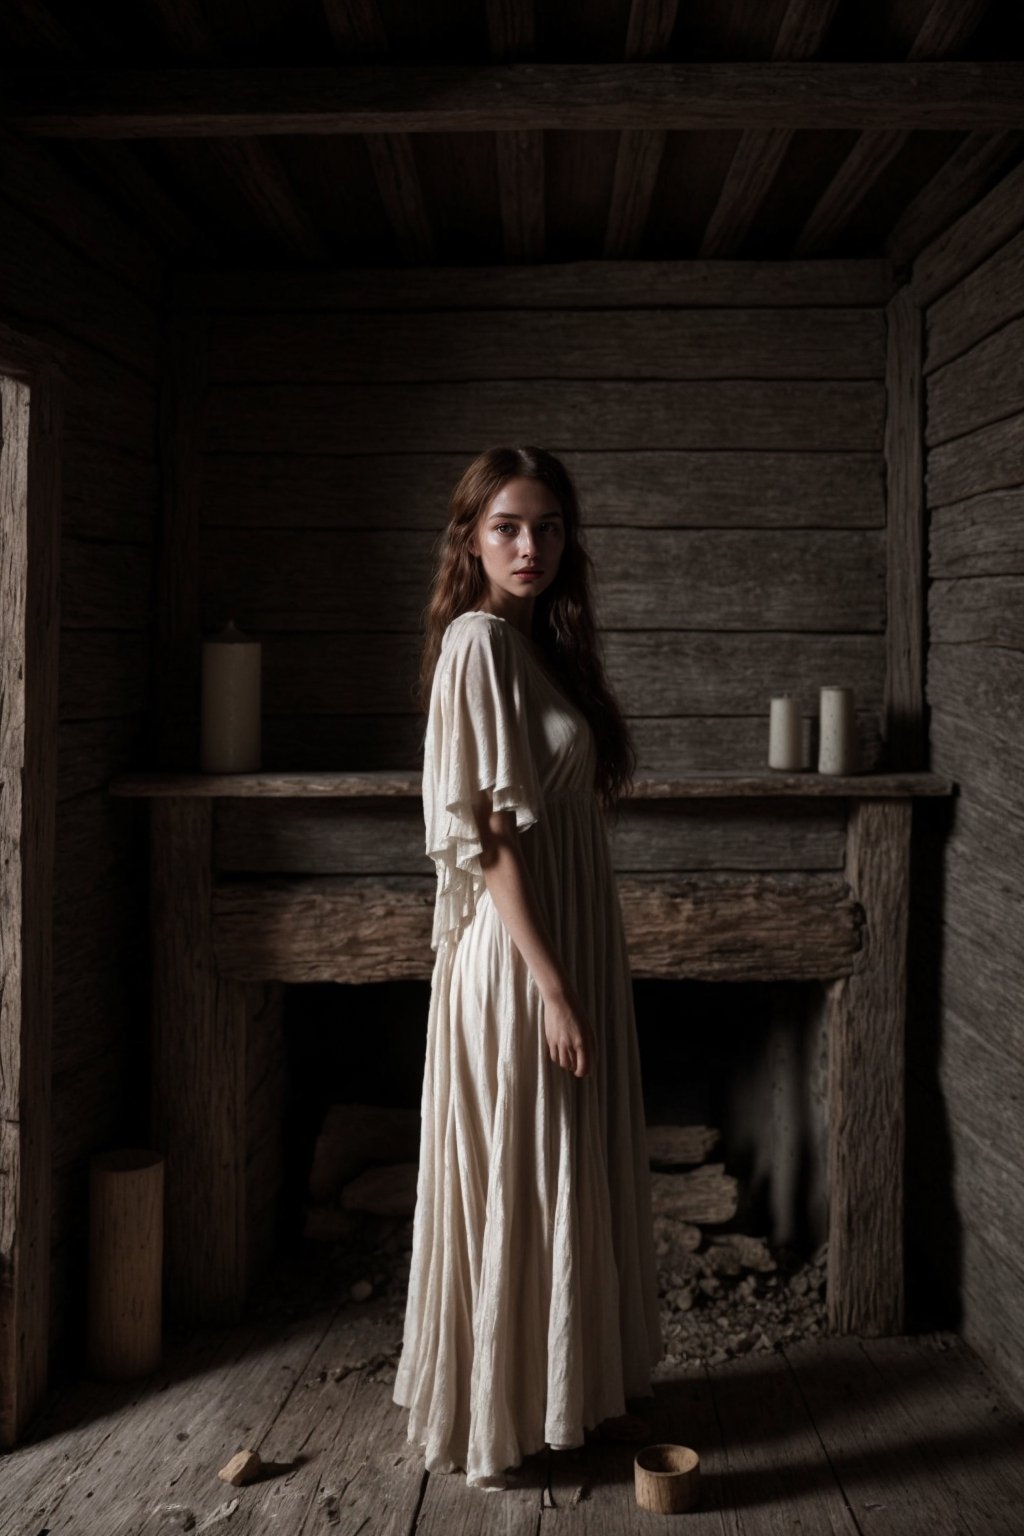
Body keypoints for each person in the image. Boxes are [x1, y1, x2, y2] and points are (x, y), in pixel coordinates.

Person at [392, 445, 663, 1491]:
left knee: (561, 1164)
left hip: (560, 941)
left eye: (547, 527)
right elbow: (490, 838)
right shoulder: (474, 643)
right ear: (467, 537)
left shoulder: (535, 647)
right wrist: (551, 985)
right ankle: (500, 1424)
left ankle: (560, 1398)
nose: (529, 546)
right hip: (517, 959)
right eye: (506, 525)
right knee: (523, 1160)